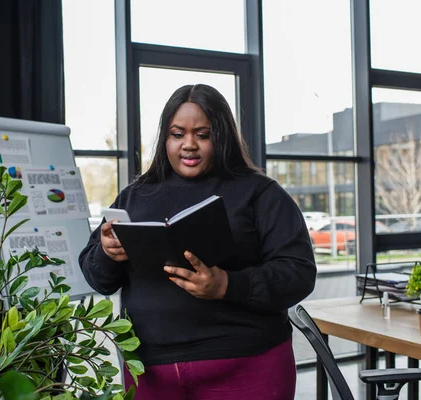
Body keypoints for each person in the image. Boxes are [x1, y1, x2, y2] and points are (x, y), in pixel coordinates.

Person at [79, 84, 316, 400]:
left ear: (221, 137)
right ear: (166, 138)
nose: (188, 145)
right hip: (151, 373)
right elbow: (98, 279)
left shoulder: (261, 194)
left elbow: (299, 273)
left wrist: (227, 285)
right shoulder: (135, 197)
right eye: (178, 134)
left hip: (247, 367)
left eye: (202, 135)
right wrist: (109, 253)